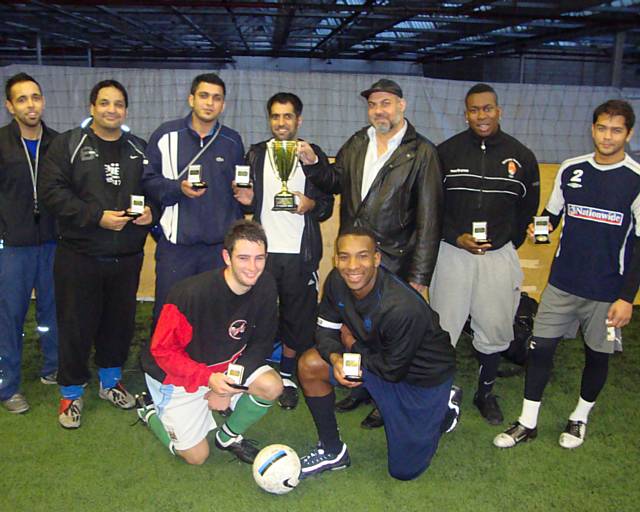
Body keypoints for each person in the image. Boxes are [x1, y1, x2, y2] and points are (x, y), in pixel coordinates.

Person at [494, 99, 639, 450]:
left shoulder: (635, 179)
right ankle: (528, 422)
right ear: (592, 129)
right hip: (561, 284)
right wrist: (537, 229)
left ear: (628, 134)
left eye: (616, 130)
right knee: (540, 349)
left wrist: (626, 297)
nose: (607, 136)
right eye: (602, 128)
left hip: (606, 293)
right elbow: (552, 215)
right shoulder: (572, 169)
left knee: (597, 355)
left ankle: (580, 417)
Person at [305, 78, 444, 428]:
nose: (378, 110)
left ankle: (387, 397)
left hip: (395, 261)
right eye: (373, 104)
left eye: (386, 103)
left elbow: (430, 221)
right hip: (357, 260)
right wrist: (312, 162)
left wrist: (420, 278)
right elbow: (334, 181)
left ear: (402, 106)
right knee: (361, 329)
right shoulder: (357, 141)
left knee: (392, 338)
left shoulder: (422, 152)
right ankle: (364, 386)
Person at [38, 80, 155, 428]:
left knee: (118, 325)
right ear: (92, 107)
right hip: (79, 256)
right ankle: (71, 393)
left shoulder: (138, 147)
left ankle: (110, 381)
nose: (111, 110)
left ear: (126, 111)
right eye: (104, 103)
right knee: (75, 326)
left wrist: (152, 213)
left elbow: (154, 191)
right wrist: (96, 217)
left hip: (127, 257)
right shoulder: (68, 144)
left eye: (118, 104)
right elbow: (51, 192)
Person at [297, 227, 456, 480]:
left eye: (362, 256)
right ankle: (332, 451)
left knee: (404, 471)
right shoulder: (336, 282)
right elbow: (325, 331)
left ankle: (444, 405)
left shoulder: (402, 306)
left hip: (422, 379)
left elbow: (393, 371)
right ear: (336, 259)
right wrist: (337, 359)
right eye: (344, 256)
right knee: (310, 364)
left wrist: (350, 345)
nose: (352, 266)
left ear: (376, 259)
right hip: (377, 358)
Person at [430, 83, 540, 425]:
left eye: (488, 108)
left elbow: (527, 210)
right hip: (451, 254)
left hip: (498, 258)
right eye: (475, 110)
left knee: (494, 328)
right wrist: (454, 237)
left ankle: (485, 393)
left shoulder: (521, 156)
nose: (482, 115)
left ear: (499, 110)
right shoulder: (445, 153)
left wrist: (505, 241)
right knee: (442, 329)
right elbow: (432, 206)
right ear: (466, 114)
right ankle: (439, 394)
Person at [138, 220, 283, 465]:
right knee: (196, 457)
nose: (253, 268)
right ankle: (149, 410)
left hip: (224, 368)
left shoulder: (266, 285)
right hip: (176, 375)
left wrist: (228, 384)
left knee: (272, 385)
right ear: (227, 257)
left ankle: (228, 436)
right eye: (244, 258)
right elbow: (163, 352)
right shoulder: (189, 295)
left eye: (259, 258)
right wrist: (209, 381)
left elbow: (261, 343)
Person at [233, 92, 333, 410]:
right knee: (256, 315)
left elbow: (327, 204)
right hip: (262, 254)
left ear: (298, 120)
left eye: (287, 116)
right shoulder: (256, 153)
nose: (281, 122)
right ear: (270, 119)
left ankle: (288, 376)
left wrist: (310, 204)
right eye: (275, 116)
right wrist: (246, 201)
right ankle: (254, 371)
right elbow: (247, 199)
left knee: (297, 319)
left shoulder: (311, 153)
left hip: (299, 254)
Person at [142, 73, 245, 326]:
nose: (209, 103)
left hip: (217, 249)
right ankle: (160, 367)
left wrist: (247, 198)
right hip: (176, 249)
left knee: (212, 317)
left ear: (224, 105)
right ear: (191, 99)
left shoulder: (233, 141)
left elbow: (240, 192)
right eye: (204, 96)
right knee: (169, 315)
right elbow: (147, 181)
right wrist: (178, 189)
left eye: (216, 98)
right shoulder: (165, 135)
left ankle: (207, 366)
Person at [0, 72, 58, 413]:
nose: (30, 104)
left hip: (53, 244)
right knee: (10, 316)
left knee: (53, 310)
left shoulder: (59, 143)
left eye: (35, 97)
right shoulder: (2, 143)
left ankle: (54, 368)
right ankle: (8, 387)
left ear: (43, 101)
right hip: (14, 248)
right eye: (22, 99)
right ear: (10, 106)